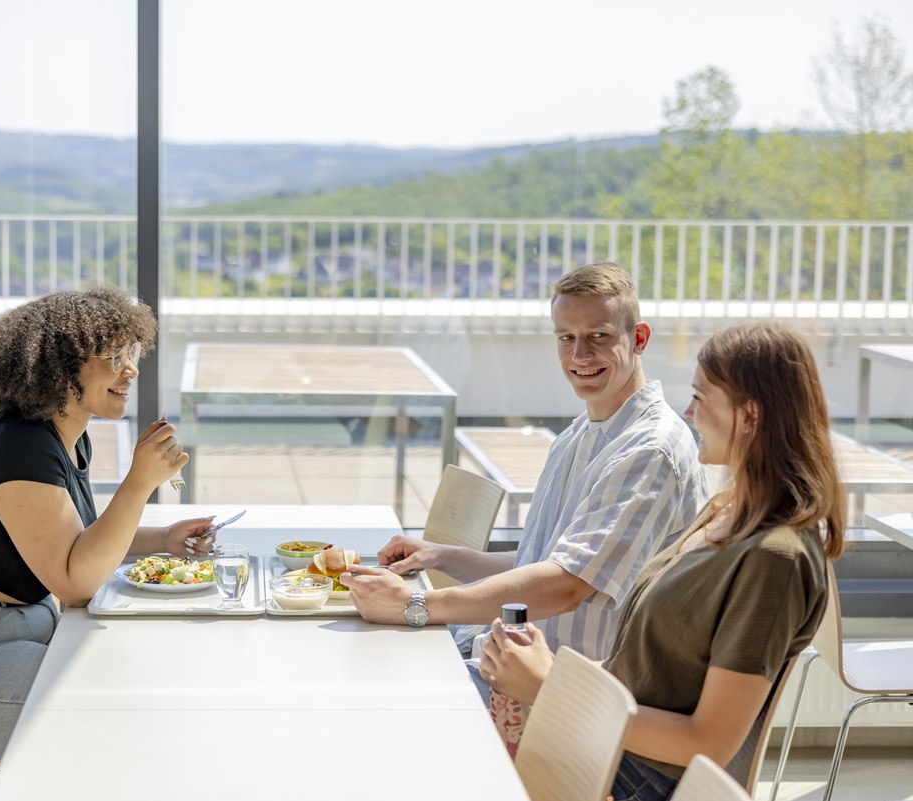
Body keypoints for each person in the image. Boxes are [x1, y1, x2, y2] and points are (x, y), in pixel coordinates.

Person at [480, 322, 844, 797]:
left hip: (634, 780)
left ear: (749, 415)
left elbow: (708, 741)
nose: (689, 413)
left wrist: (553, 688)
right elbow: (646, 673)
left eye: (701, 397)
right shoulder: (724, 511)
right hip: (602, 751)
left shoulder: (775, 559)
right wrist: (550, 673)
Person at [342, 262, 707, 669]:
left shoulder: (649, 451)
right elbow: (542, 563)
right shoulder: (579, 434)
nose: (579, 354)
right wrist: (443, 556)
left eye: (598, 337)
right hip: (506, 663)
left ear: (638, 338)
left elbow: (566, 585)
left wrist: (414, 605)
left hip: (562, 694)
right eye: (566, 337)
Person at [0, 287, 217, 760]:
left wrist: (164, 540)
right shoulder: (22, 449)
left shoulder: (62, 438)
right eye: (114, 355)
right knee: (135, 715)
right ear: (60, 367)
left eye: (131, 352)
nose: (131, 369)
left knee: (142, 681)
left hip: (10, 632)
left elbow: (77, 545)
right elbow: (76, 583)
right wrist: (139, 483)